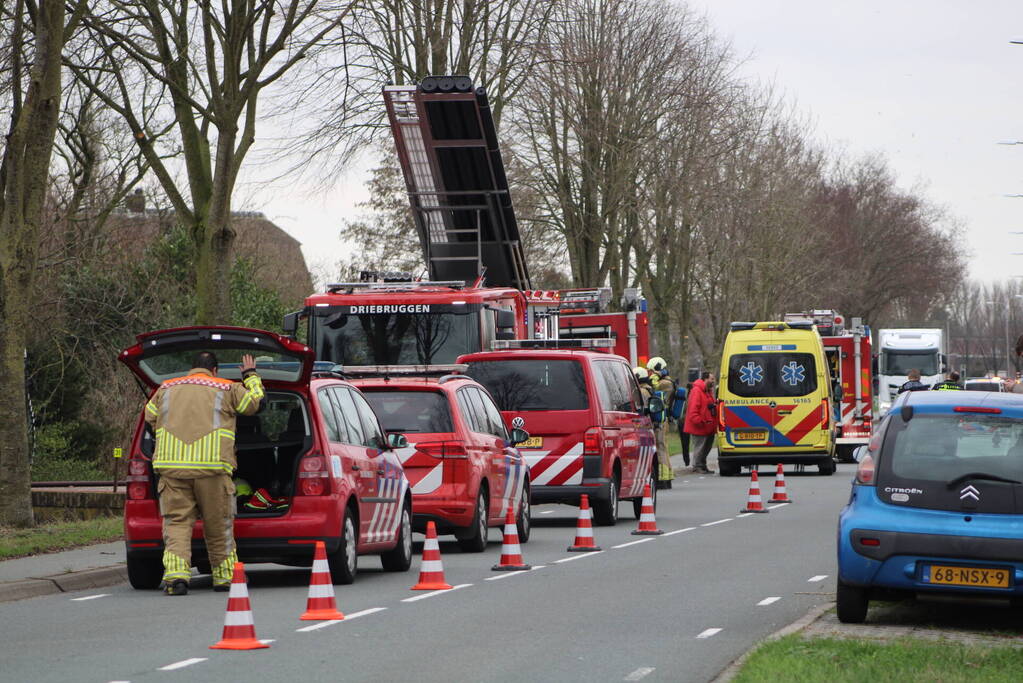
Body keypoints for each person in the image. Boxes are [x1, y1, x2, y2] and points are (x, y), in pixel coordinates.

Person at [144, 351, 265, 595]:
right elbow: (255, 404)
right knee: (218, 525)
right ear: (215, 370)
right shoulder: (226, 388)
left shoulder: (166, 388)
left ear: (192, 368)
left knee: (177, 524)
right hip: (212, 468)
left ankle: (176, 577)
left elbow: (149, 418)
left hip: (173, 469)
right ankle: (224, 577)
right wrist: (250, 375)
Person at [646, 357, 676, 488]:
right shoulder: (667, 382)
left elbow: (653, 386)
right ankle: (667, 476)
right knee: (663, 447)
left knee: (660, 448)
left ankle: (663, 478)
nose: (650, 374)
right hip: (664, 419)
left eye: (651, 371)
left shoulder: (664, 383)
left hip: (661, 420)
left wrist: (655, 375)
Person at [684, 372, 717, 473]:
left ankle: (702, 465)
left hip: (707, 425)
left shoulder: (708, 391)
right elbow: (693, 409)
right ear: (705, 379)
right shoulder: (697, 391)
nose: (713, 381)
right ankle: (697, 466)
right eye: (712, 379)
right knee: (699, 447)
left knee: (706, 447)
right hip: (700, 425)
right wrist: (699, 421)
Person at [675, 382, 692, 468]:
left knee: (684, 443)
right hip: (687, 422)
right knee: (687, 442)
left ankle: (686, 460)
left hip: (681, 422)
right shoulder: (691, 398)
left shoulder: (683, 398)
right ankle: (688, 460)